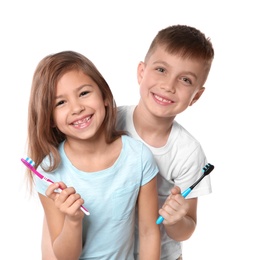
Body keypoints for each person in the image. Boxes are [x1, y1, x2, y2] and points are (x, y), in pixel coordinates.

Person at [42, 24, 214, 260]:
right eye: (161, 69)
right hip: (97, 245)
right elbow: (64, 173)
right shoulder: (103, 121)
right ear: (141, 72)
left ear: (196, 95)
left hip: (159, 253)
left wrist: (176, 219)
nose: (168, 86)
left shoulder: (187, 152)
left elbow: (185, 229)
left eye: (185, 79)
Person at [25, 50, 161, 260]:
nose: (77, 108)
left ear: (105, 97)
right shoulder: (48, 172)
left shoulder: (138, 157)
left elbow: (149, 232)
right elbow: (65, 257)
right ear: (50, 118)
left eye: (84, 93)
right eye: (60, 103)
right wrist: (73, 220)